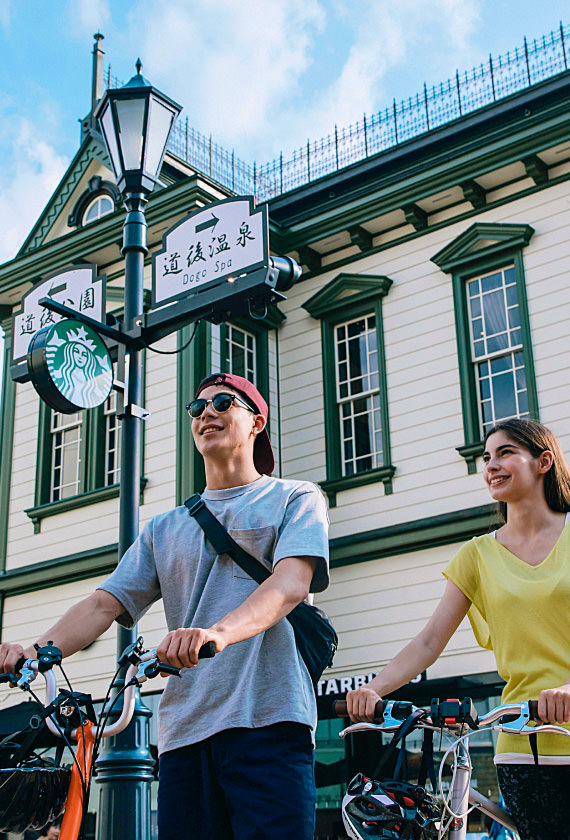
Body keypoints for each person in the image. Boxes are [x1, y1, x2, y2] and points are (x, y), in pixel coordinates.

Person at [0, 372, 330, 840]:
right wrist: (34, 653)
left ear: (257, 422)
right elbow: (103, 603)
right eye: (197, 409)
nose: (207, 413)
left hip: (269, 722)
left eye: (222, 402)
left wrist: (215, 633)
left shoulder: (294, 497)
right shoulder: (165, 528)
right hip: (184, 734)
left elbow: (290, 584)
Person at [346, 418, 570, 840]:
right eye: (487, 457)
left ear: (544, 461)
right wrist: (374, 690)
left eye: (506, 453)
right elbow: (429, 641)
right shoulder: (478, 554)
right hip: (521, 742)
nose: (491, 465)